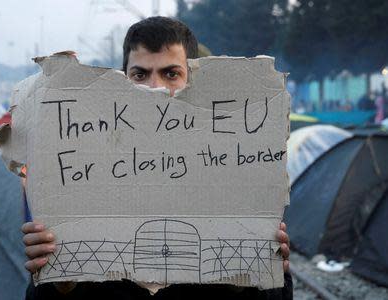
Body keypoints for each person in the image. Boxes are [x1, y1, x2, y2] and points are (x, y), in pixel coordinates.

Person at [23, 16, 292, 299]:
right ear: (120, 80)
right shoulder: (81, 173)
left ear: (193, 79)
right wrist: (59, 284)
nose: (155, 88)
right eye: (140, 75)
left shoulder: (236, 169)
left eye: (171, 74)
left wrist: (267, 274)